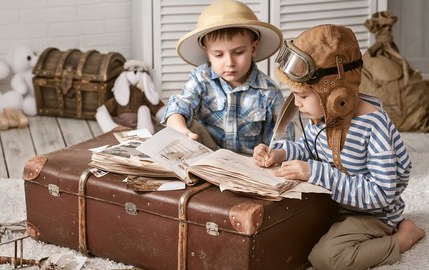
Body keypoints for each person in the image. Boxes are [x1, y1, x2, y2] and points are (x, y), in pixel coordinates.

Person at [252, 24, 425, 270]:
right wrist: (281, 153)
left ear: (336, 95)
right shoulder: (322, 115)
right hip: (332, 203)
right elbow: (310, 147)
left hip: (372, 215)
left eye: (302, 96)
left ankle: (402, 237)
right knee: (280, 235)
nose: (297, 104)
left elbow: (381, 194)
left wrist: (314, 172)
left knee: (326, 258)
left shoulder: (373, 126)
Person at [160, 0, 294, 154]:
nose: (229, 63)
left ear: (254, 48)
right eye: (218, 55)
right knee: (186, 124)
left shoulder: (269, 92)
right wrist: (182, 130)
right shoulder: (201, 79)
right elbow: (179, 107)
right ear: (207, 54)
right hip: (208, 159)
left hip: (249, 165)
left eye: (239, 52)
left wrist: (270, 154)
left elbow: (282, 141)